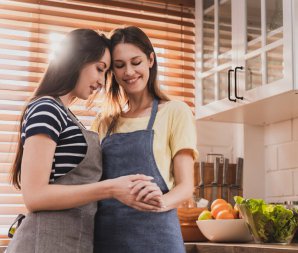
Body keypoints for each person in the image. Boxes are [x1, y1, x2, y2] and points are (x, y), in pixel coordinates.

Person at [6, 28, 162, 253]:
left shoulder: (67, 116)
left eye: (106, 72)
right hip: (43, 244)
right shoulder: (46, 109)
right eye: (99, 69)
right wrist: (110, 189)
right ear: (77, 60)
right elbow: (34, 196)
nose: (101, 81)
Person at [92, 26, 198, 253]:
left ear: (150, 60)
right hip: (107, 239)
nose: (129, 72)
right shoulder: (104, 122)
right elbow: (92, 183)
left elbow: (186, 186)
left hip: (157, 237)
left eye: (136, 62)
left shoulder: (175, 111)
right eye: (120, 66)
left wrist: (161, 203)